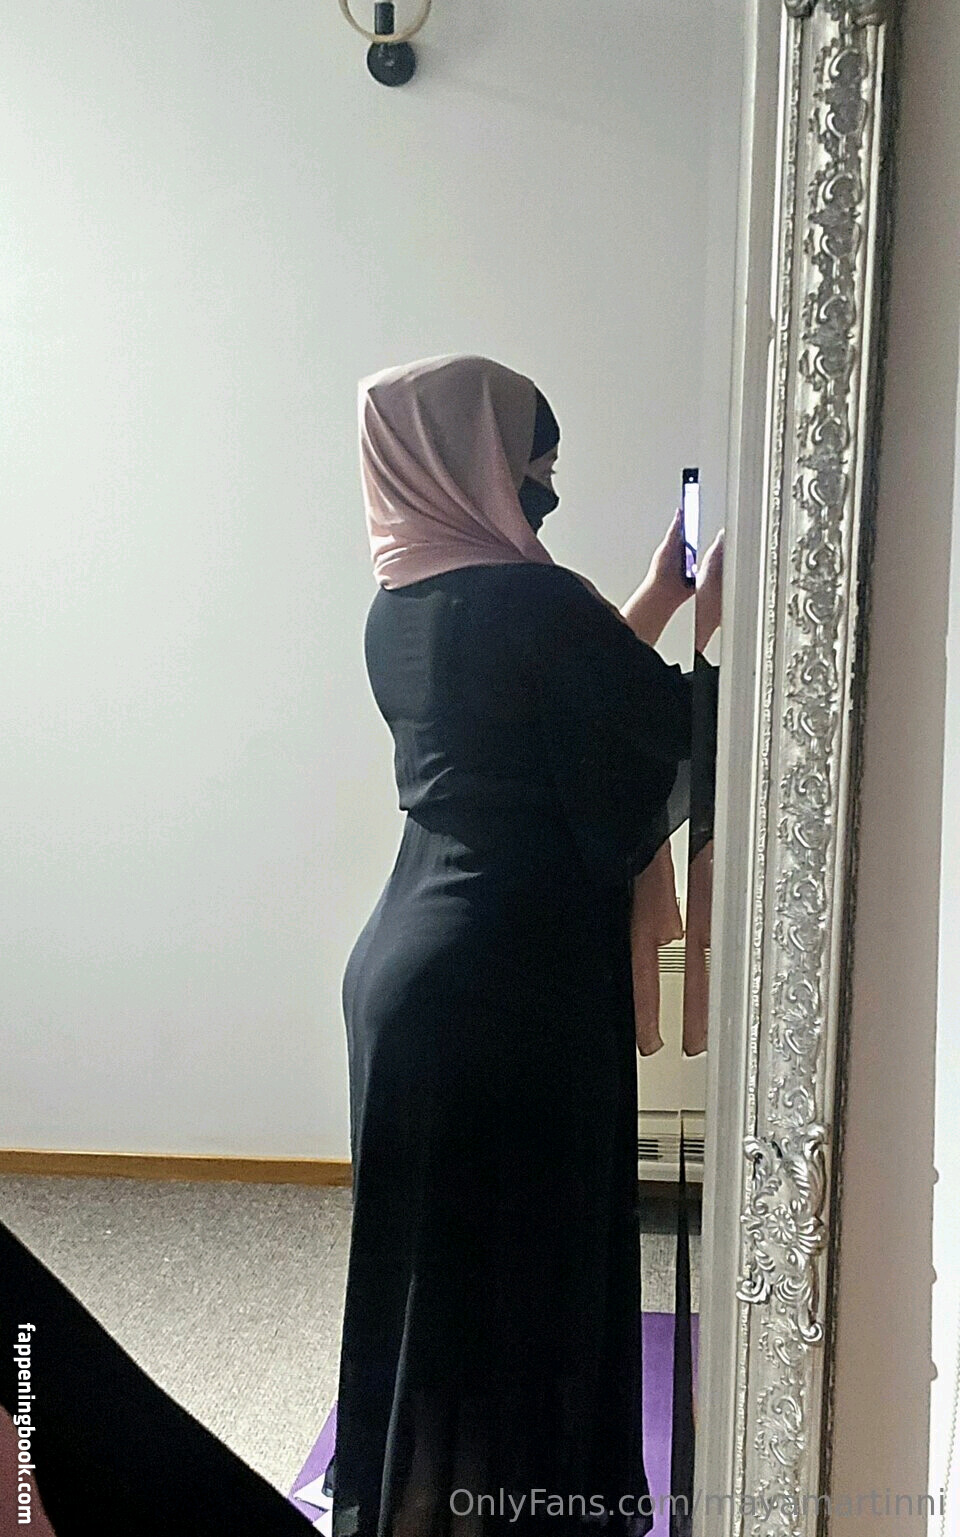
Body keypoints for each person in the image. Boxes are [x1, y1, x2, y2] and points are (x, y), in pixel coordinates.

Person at [329, 355, 721, 1537]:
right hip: (512, 977)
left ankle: (426, 1504)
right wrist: (720, 634)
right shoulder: (533, 605)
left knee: (437, 1275)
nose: (544, 480)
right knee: (530, 1271)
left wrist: (651, 599)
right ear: (472, 462)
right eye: (531, 456)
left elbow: (551, 717)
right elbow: (649, 733)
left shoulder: (400, 607)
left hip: (410, 967)